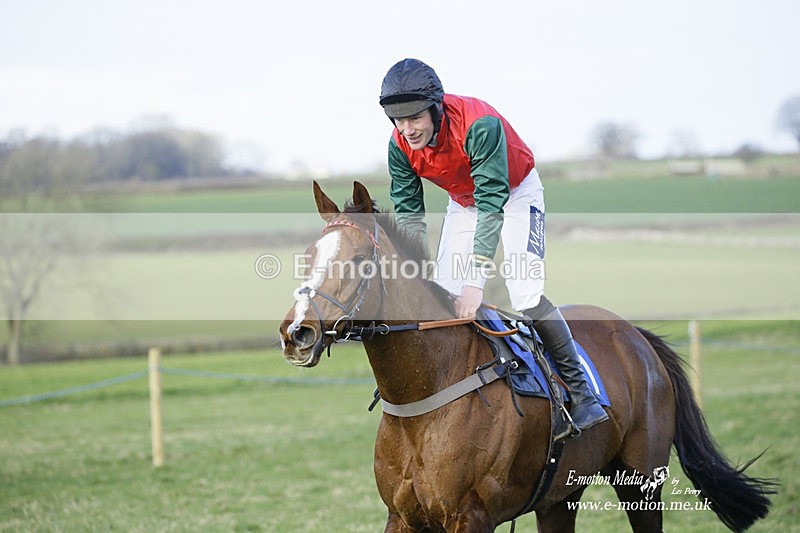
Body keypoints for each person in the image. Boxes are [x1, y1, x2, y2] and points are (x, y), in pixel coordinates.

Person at [379, 58, 608, 431]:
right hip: (465, 203)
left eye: (415, 118)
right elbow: (409, 216)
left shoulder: (478, 124)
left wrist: (476, 282)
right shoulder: (399, 145)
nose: (407, 128)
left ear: (435, 108)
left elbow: (492, 203)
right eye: (399, 120)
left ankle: (582, 395)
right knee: (443, 297)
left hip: (515, 194)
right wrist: (414, 272)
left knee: (525, 292)